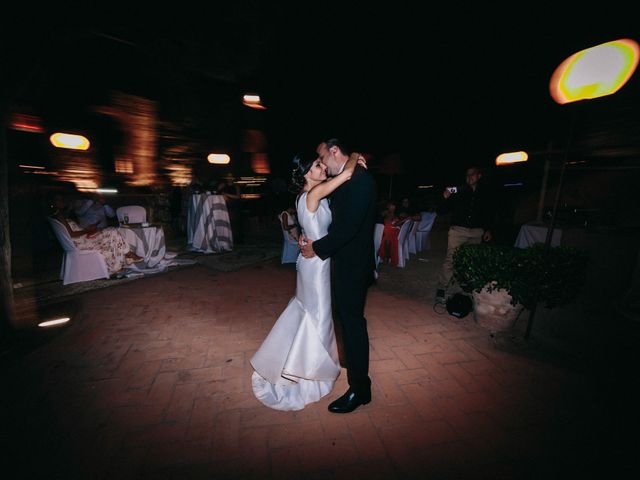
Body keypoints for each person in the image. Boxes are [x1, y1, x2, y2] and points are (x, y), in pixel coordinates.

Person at [250, 151, 363, 411]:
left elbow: (311, 224)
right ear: (305, 174)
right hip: (317, 268)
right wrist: (355, 156)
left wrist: (305, 236)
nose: (323, 167)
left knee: (312, 314)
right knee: (320, 317)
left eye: (321, 163)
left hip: (313, 263)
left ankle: (310, 364)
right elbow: (346, 174)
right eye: (316, 165)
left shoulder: (306, 197)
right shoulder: (313, 194)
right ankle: (314, 375)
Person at [299, 138, 377, 414]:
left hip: (353, 267)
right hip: (341, 264)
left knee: (353, 324)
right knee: (344, 320)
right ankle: (349, 364)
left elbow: (348, 230)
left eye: (321, 156)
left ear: (334, 151)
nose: (321, 162)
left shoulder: (359, 181)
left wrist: (315, 248)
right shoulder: (348, 177)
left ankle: (360, 389)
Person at [436, 166, 494, 303]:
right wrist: (444, 198)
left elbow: (489, 213)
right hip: (458, 231)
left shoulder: (485, 193)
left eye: (473, 174)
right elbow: (441, 211)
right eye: (467, 175)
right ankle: (442, 287)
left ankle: (463, 284)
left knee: (469, 260)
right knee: (451, 259)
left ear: (479, 176)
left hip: (477, 231)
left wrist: (488, 229)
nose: (470, 177)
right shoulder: (458, 191)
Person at [49, 194, 142, 274]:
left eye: (62, 199)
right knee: (112, 231)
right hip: (81, 242)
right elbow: (71, 234)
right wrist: (88, 231)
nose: (63, 201)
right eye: (59, 200)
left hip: (82, 238)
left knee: (112, 234)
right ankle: (127, 255)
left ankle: (119, 263)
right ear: (53, 202)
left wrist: (89, 230)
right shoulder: (65, 212)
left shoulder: (58, 216)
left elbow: (112, 215)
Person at [217, 174, 243, 244]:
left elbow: (238, 196)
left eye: (231, 176)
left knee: (233, 223)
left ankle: (235, 240)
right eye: (228, 176)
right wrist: (219, 188)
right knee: (225, 222)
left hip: (233, 207)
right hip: (224, 206)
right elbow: (217, 194)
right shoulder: (223, 185)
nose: (229, 178)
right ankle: (226, 239)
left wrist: (227, 195)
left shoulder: (236, 186)